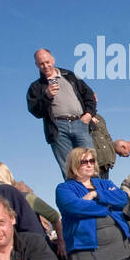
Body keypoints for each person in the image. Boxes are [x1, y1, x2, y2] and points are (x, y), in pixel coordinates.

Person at [26, 49, 99, 178]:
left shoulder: (70, 75)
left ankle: (97, 196)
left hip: (80, 123)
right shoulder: (36, 87)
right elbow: (35, 111)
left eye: (47, 62)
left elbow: (89, 95)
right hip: (58, 129)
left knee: (90, 164)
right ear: (37, 65)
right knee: (69, 168)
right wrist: (47, 95)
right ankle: (76, 197)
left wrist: (88, 115)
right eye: (41, 63)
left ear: (53, 60)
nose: (45, 66)